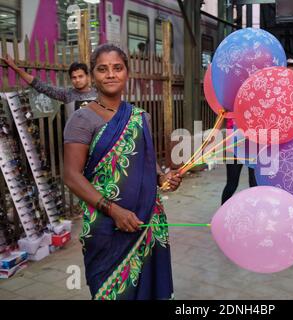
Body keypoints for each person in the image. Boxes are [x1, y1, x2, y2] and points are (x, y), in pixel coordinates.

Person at [63, 44, 181, 300]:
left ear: (127, 73)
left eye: (117, 68)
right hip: (106, 227)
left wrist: (164, 179)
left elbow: (148, 165)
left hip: (146, 221)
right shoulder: (82, 119)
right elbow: (71, 176)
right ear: (93, 75)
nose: (110, 74)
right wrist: (113, 210)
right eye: (102, 69)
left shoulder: (140, 117)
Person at [1, 54, 97, 117]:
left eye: (80, 76)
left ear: (87, 76)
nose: (77, 80)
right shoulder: (67, 94)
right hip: (76, 142)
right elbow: (39, 85)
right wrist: (14, 67)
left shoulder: (98, 94)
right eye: (74, 77)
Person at [221, 119, 257, 204]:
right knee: (231, 184)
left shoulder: (255, 108)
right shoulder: (229, 107)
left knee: (254, 185)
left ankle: (255, 214)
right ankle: (222, 213)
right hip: (233, 150)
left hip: (252, 149)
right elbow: (220, 122)